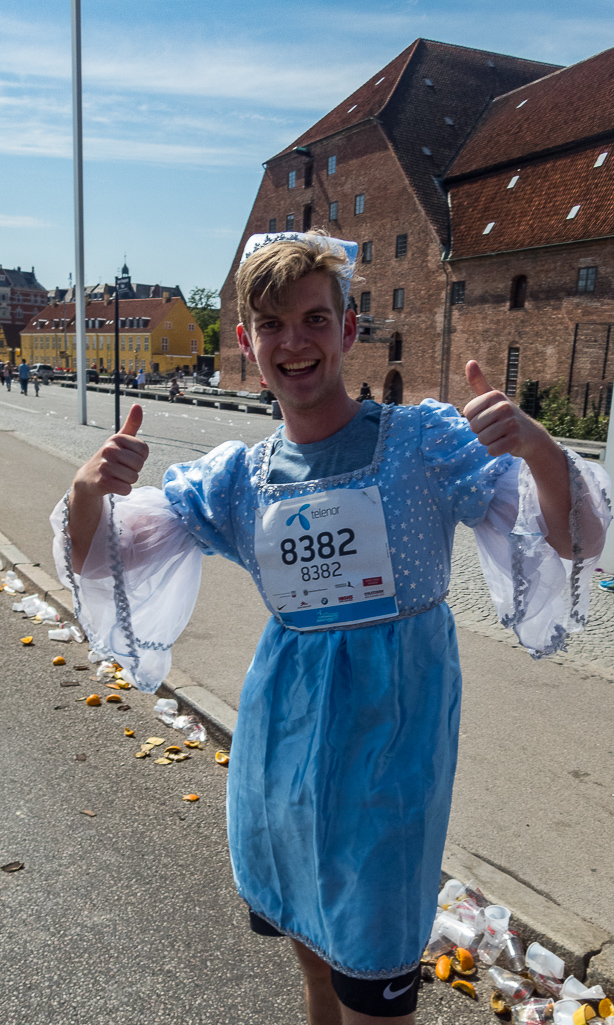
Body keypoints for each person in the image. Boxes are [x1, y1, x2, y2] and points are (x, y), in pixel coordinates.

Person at [52, 231, 610, 1025]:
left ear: (348, 331)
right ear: (246, 342)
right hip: (282, 767)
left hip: (391, 770)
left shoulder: (422, 445)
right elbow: (99, 556)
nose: (295, 342)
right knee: (315, 972)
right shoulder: (236, 479)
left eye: (314, 319)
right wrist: (84, 488)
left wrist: (536, 444)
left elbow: (570, 538)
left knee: (375, 996)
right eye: (272, 325)